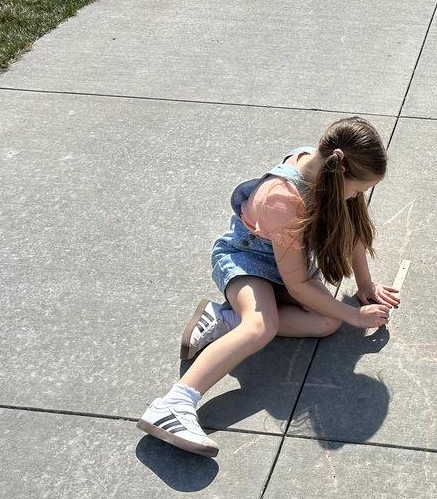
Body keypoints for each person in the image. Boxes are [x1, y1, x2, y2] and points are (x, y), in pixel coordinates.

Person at [138, 116, 400, 456]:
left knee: (326, 322)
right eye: (360, 189)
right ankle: (174, 403)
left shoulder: (325, 166)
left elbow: (352, 232)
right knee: (263, 326)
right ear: (342, 172)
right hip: (245, 262)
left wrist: (364, 283)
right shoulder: (282, 199)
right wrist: (356, 317)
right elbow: (300, 284)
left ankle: (225, 319)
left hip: (283, 268)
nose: (359, 196)